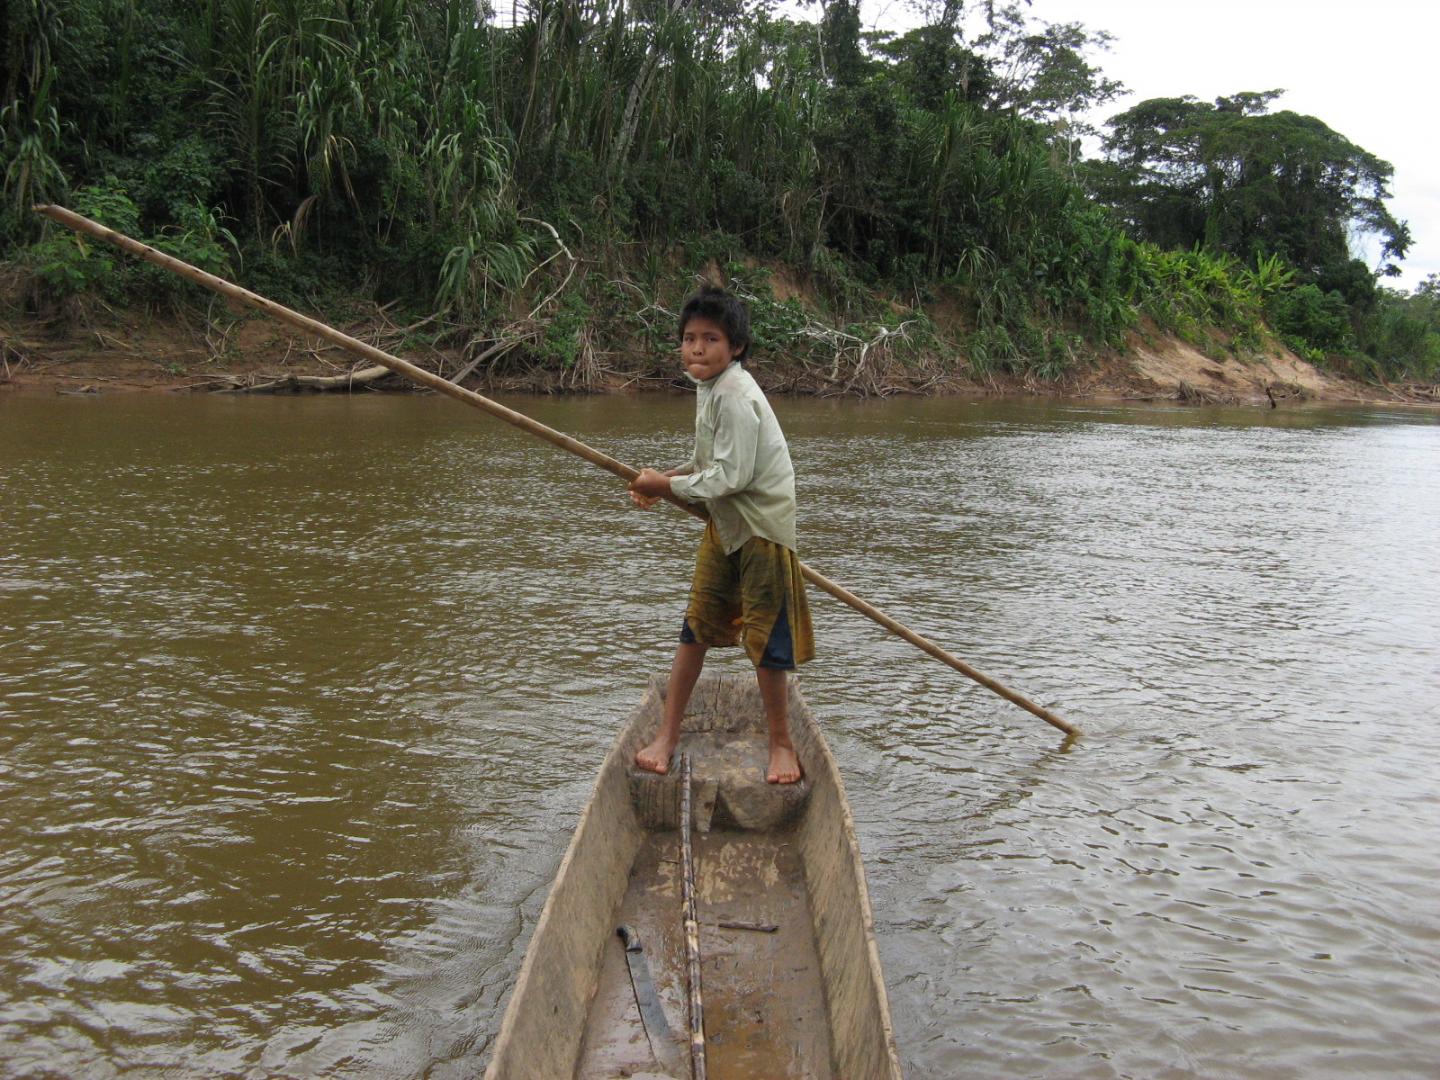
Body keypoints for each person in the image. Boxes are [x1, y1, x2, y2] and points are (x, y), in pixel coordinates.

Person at [628, 286, 814, 784]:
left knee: (766, 641)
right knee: (696, 629)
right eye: (689, 339)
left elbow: (730, 477)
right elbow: (709, 465)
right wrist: (663, 483)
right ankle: (667, 734)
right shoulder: (708, 389)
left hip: (761, 531)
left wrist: (664, 485)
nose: (697, 349)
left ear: (736, 349)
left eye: (711, 339)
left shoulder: (735, 395)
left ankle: (780, 743)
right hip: (725, 526)